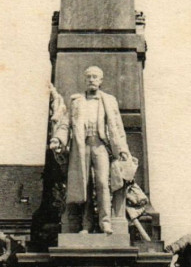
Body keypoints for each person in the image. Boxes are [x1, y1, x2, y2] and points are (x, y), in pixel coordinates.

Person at [49, 66, 136, 234]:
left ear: (101, 81)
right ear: (84, 79)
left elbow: (117, 126)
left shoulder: (109, 100)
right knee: (85, 185)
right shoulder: (76, 101)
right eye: (88, 76)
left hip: (100, 145)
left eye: (95, 77)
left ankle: (106, 223)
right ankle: (86, 225)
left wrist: (123, 149)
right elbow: (66, 123)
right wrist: (57, 139)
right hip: (81, 147)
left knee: (103, 183)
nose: (91, 79)